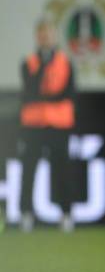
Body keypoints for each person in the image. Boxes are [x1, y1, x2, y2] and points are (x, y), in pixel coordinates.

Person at [19, 19, 77, 232]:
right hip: (33, 125)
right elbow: (31, 91)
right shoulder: (29, 62)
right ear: (37, 36)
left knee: (62, 170)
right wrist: (44, 67)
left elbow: (69, 92)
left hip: (59, 124)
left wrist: (47, 96)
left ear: (54, 36)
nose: (45, 38)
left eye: (48, 34)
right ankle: (26, 213)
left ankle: (66, 213)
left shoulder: (65, 61)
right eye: (41, 34)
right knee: (29, 170)